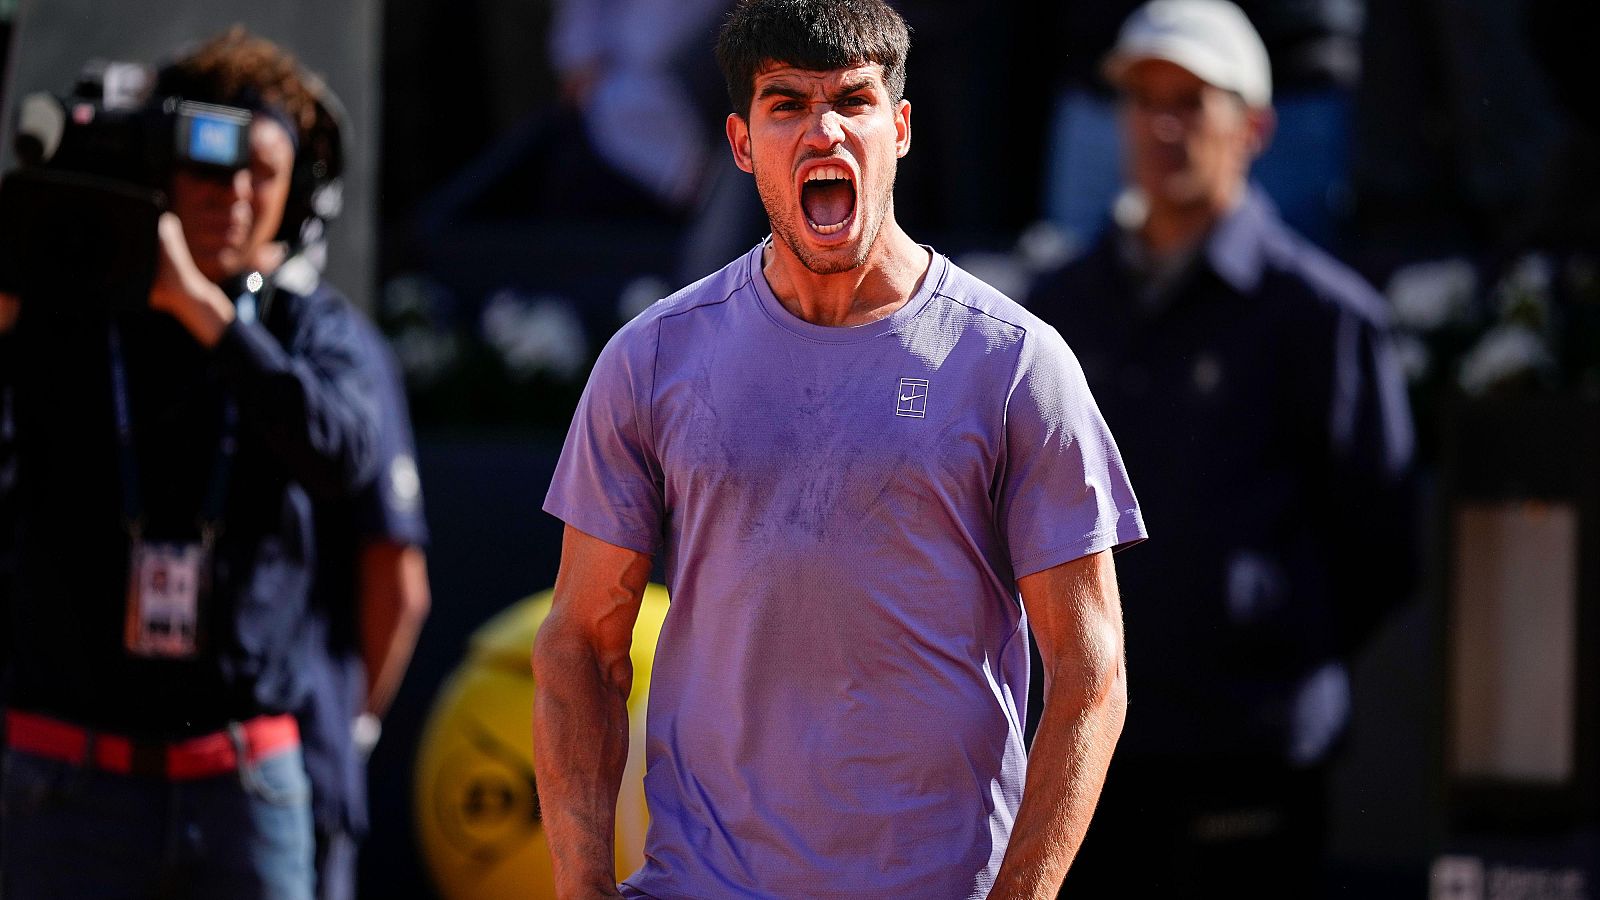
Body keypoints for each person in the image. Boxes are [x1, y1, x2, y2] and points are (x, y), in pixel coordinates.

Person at [532, 0, 1147, 897]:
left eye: (852, 101)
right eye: (786, 105)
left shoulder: (1015, 364)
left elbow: (1093, 677)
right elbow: (580, 646)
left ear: (898, 129)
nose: (823, 131)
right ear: (741, 144)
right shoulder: (651, 359)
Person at [1025, 2, 1416, 895]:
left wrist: (1265, 639)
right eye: (1143, 99)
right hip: (1088, 752)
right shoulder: (1059, 309)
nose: (1163, 126)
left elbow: (1382, 547)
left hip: (1249, 758)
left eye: (1192, 101)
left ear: (1256, 127)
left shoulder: (1323, 316)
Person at [0, 30, 378, 899]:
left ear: (300, 198)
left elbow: (340, 458)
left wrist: (210, 316)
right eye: (210, 165)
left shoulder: (305, 327)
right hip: (69, 781)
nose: (235, 196)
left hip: (243, 783)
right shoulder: (70, 307)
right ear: (162, 172)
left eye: (264, 175)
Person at [296, 264, 432, 900]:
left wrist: (348, 729)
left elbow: (399, 584)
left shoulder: (338, 345)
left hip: (298, 762)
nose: (225, 196)